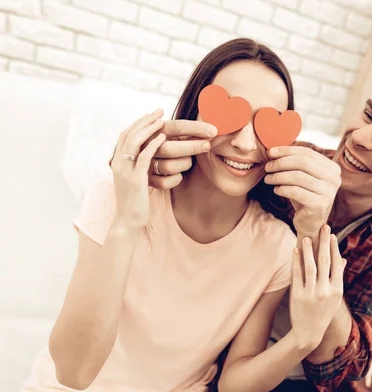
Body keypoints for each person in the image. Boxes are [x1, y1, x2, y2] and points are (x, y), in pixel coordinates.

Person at [21, 38, 345, 392]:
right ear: (194, 111)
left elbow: (234, 384)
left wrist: (304, 338)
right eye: (230, 114)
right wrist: (127, 221)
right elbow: (73, 372)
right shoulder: (120, 194)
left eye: (267, 125)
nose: (247, 144)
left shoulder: (277, 246)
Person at [149, 59, 372, 391]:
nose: (361, 138)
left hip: (302, 377)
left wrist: (312, 231)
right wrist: (152, 167)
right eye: (369, 115)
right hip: (216, 352)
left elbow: (342, 367)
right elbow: (199, 172)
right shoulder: (281, 158)